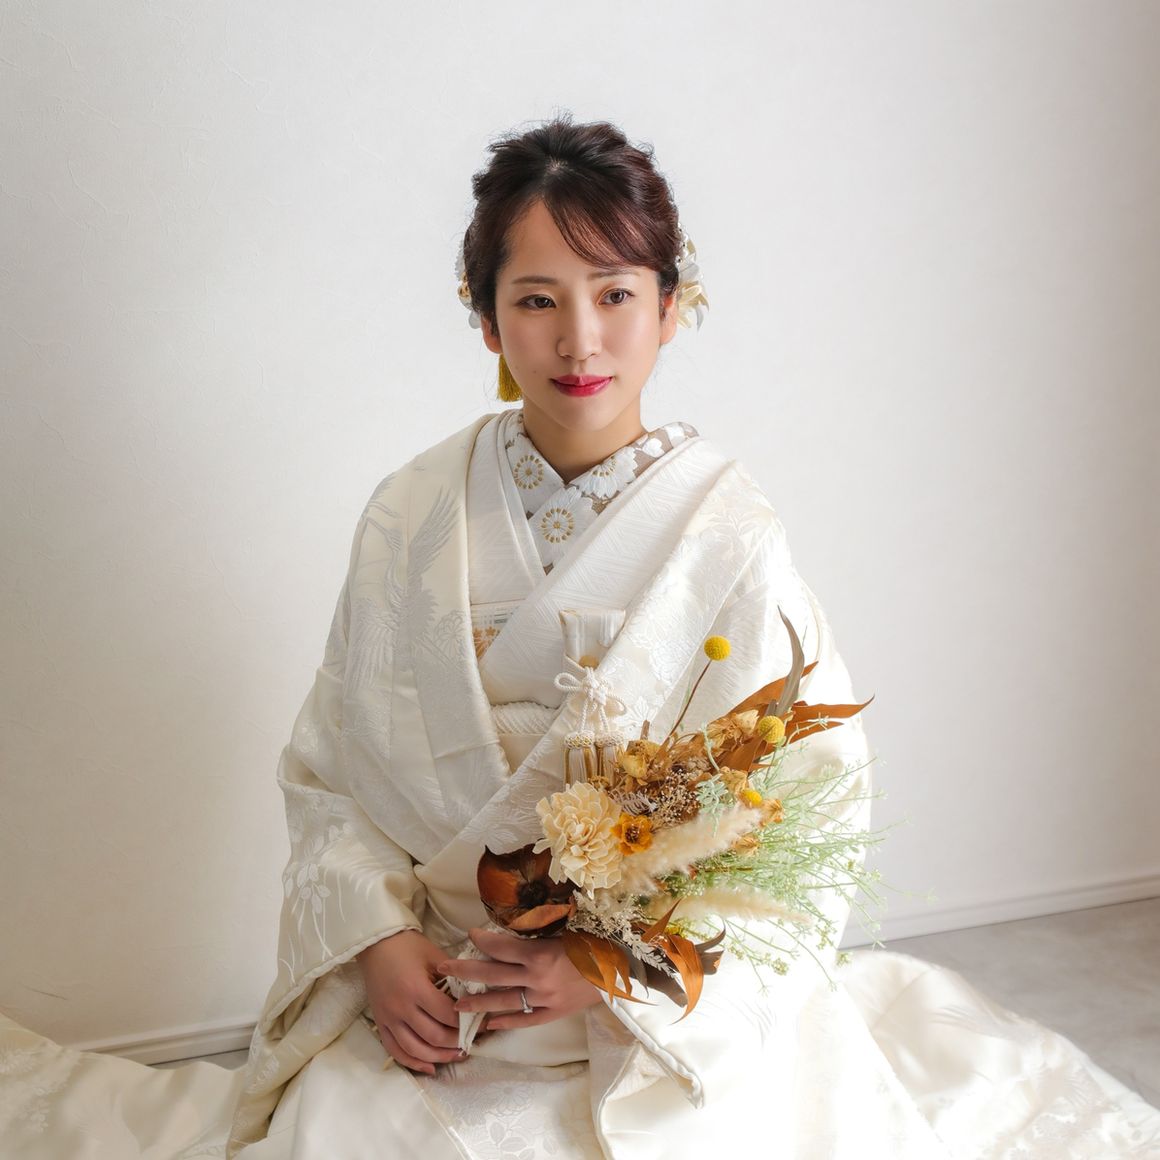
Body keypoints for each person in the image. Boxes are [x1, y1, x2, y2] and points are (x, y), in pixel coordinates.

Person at [1, 113, 1158, 1159]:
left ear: (670, 305)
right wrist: (376, 946)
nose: (579, 339)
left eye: (613, 292)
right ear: (484, 315)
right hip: (440, 992)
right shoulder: (412, 511)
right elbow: (330, 769)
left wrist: (608, 969)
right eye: (536, 299)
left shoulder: (726, 534)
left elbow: (805, 805)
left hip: (636, 1008)